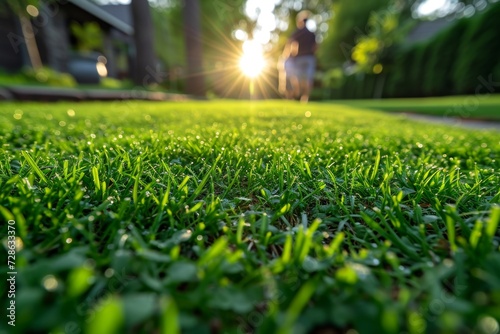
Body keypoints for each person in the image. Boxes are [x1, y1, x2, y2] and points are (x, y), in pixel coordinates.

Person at [288, 10, 317, 103]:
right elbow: (316, 47)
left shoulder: (297, 32)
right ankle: (305, 98)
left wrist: (290, 55)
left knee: (299, 78)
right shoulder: (311, 34)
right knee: (308, 78)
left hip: (299, 58)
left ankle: (299, 95)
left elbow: (291, 44)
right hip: (309, 58)